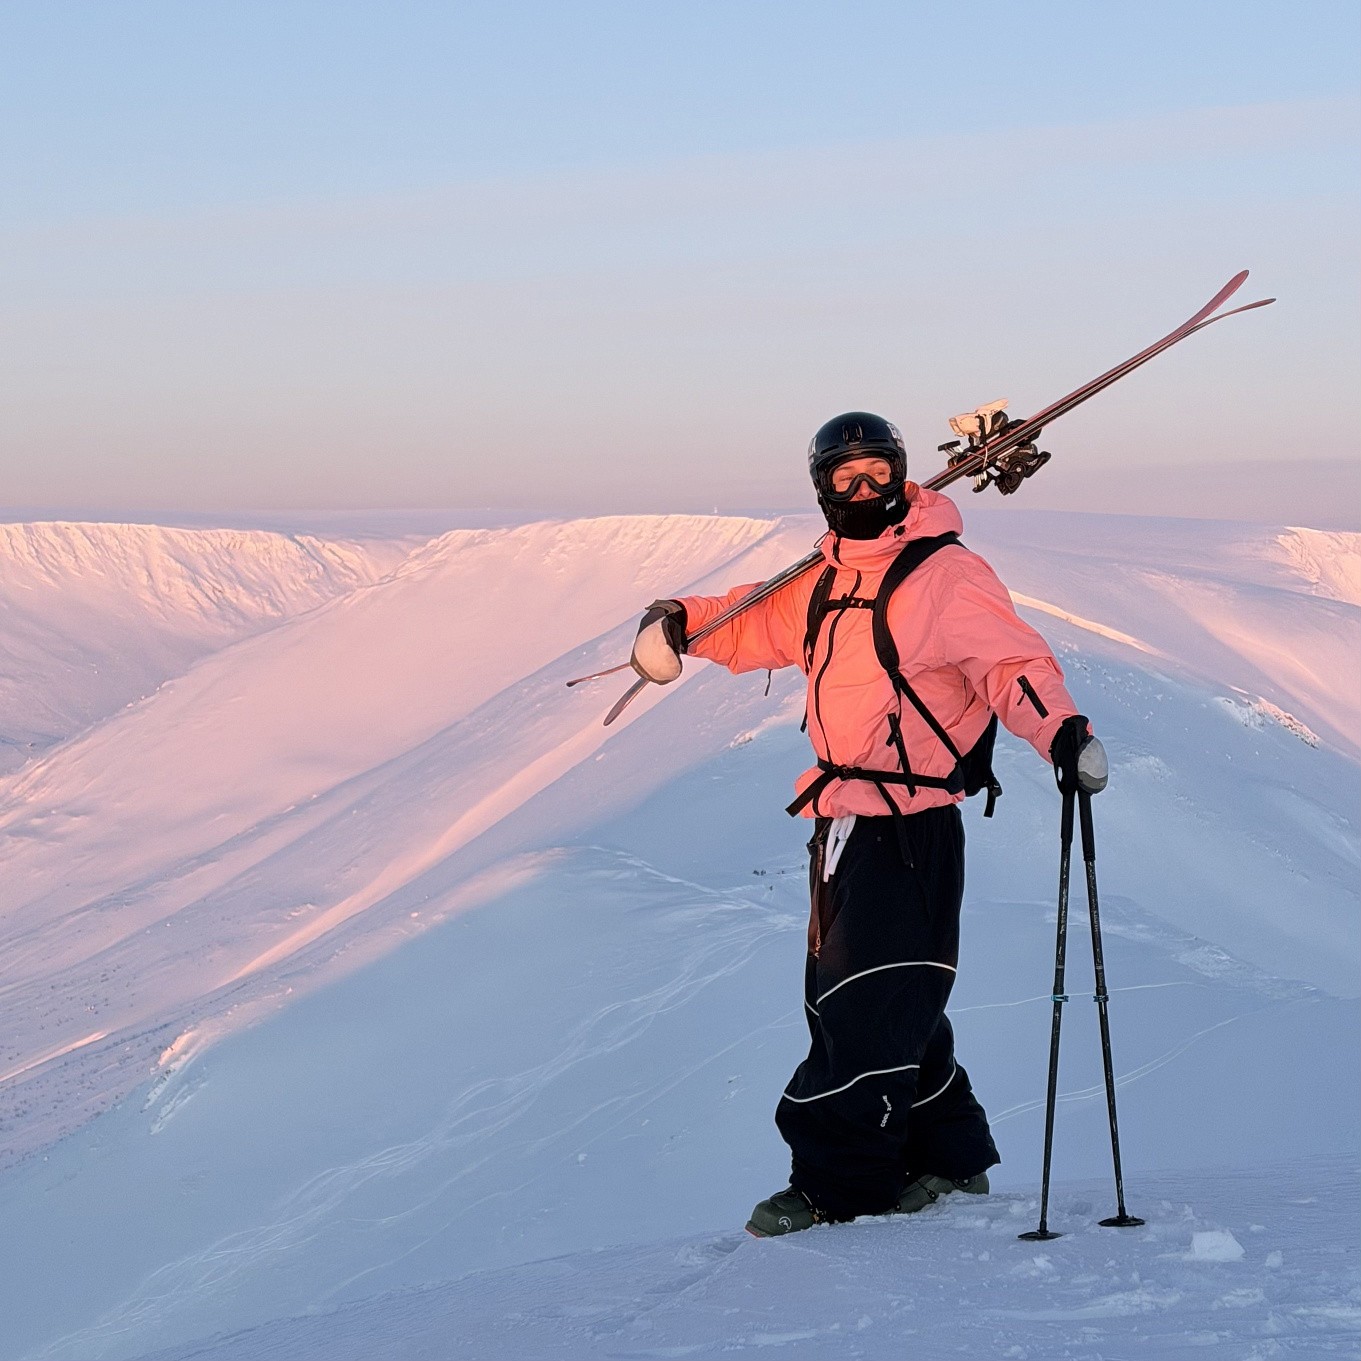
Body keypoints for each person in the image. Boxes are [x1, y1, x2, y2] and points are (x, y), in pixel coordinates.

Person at [629, 411, 1107, 1235]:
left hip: (909, 826)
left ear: (901, 475)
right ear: (821, 490)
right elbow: (751, 617)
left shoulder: (943, 575)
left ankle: (836, 1185)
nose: (862, 491)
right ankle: (948, 1161)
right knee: (877, 1001)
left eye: (877, 473)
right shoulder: (821, 579)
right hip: (840, 820)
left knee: (861, 1006)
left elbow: (1010, 663)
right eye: (844, 478)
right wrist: (678, 617)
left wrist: (1062, 734)